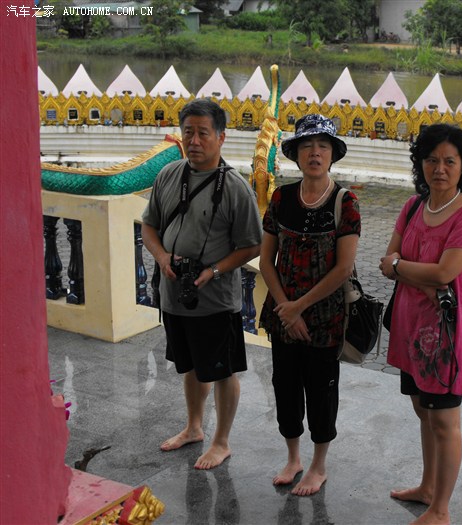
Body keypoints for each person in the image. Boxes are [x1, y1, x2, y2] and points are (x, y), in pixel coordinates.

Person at [142, 99, 262, 470]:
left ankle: (221, 441)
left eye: (203, 133)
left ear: (221, 137)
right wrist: (162, 257)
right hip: (174, 295)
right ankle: (194, 427)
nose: (194, 141)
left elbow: (252, 246)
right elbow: (150, 226)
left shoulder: (236, 189)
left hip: (215, 300)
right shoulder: (168, 175)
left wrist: (214, 270)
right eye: (188, 132)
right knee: (190, 365)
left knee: (222, 371)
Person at [379, 124, 462, 525]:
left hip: (445, 335)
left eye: (449, 161)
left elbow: (444, 272)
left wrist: (401, 268)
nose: (439, 169)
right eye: (431, 160)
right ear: (420, 163)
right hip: (410, 329)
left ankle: (441, 510)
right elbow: (386, 261)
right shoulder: (413, 207)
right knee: (422, 409)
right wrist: (408, 272)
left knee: (444, 420)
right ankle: (427, 487)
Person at [259, 114, 360, 496]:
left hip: (324, 317)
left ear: (332, 154)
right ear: (296, 154)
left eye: (322, 146)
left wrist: (299, 307)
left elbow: (343, 268)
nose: (314, 153)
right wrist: (287, 308)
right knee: (284, 386)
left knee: (321, 390)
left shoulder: (345, 202)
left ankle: (318, 464)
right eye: (306, 146)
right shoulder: (281, 198)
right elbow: (266, 260)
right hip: (284, 314)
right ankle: (293, 457)